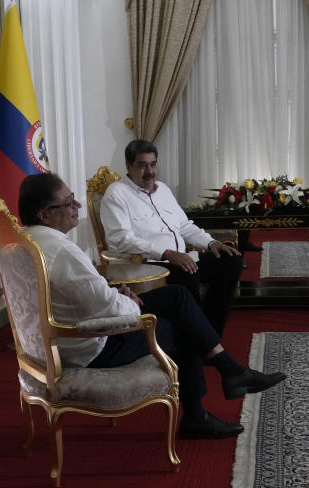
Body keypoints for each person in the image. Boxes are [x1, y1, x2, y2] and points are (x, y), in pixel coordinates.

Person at [18, 172, 286, 439]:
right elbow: (108, 308)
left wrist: (116, 293)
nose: (76, 207)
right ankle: (200, 413)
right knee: (183, 328)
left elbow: (78, 292)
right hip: (89, 347)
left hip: (52, 341)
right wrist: (127, 301)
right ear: (44, 214)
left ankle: (230, 370)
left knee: (178, 296)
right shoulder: (63, 250)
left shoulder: (26, 241)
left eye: (74, 199)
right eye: (67, 203)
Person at [100, 140, 243, 337]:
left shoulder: (163, 190)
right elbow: (121, 239)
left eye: (153, 164)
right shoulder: (116, 194)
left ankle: (210, 333)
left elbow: (184, 226)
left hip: (182, 258)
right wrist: (166, 253)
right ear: (128, 166)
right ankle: (199, 339)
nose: (150, 171)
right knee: (187, 272)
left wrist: (211, 243)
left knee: (230, 261)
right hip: (149, 264)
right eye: (142, 165)